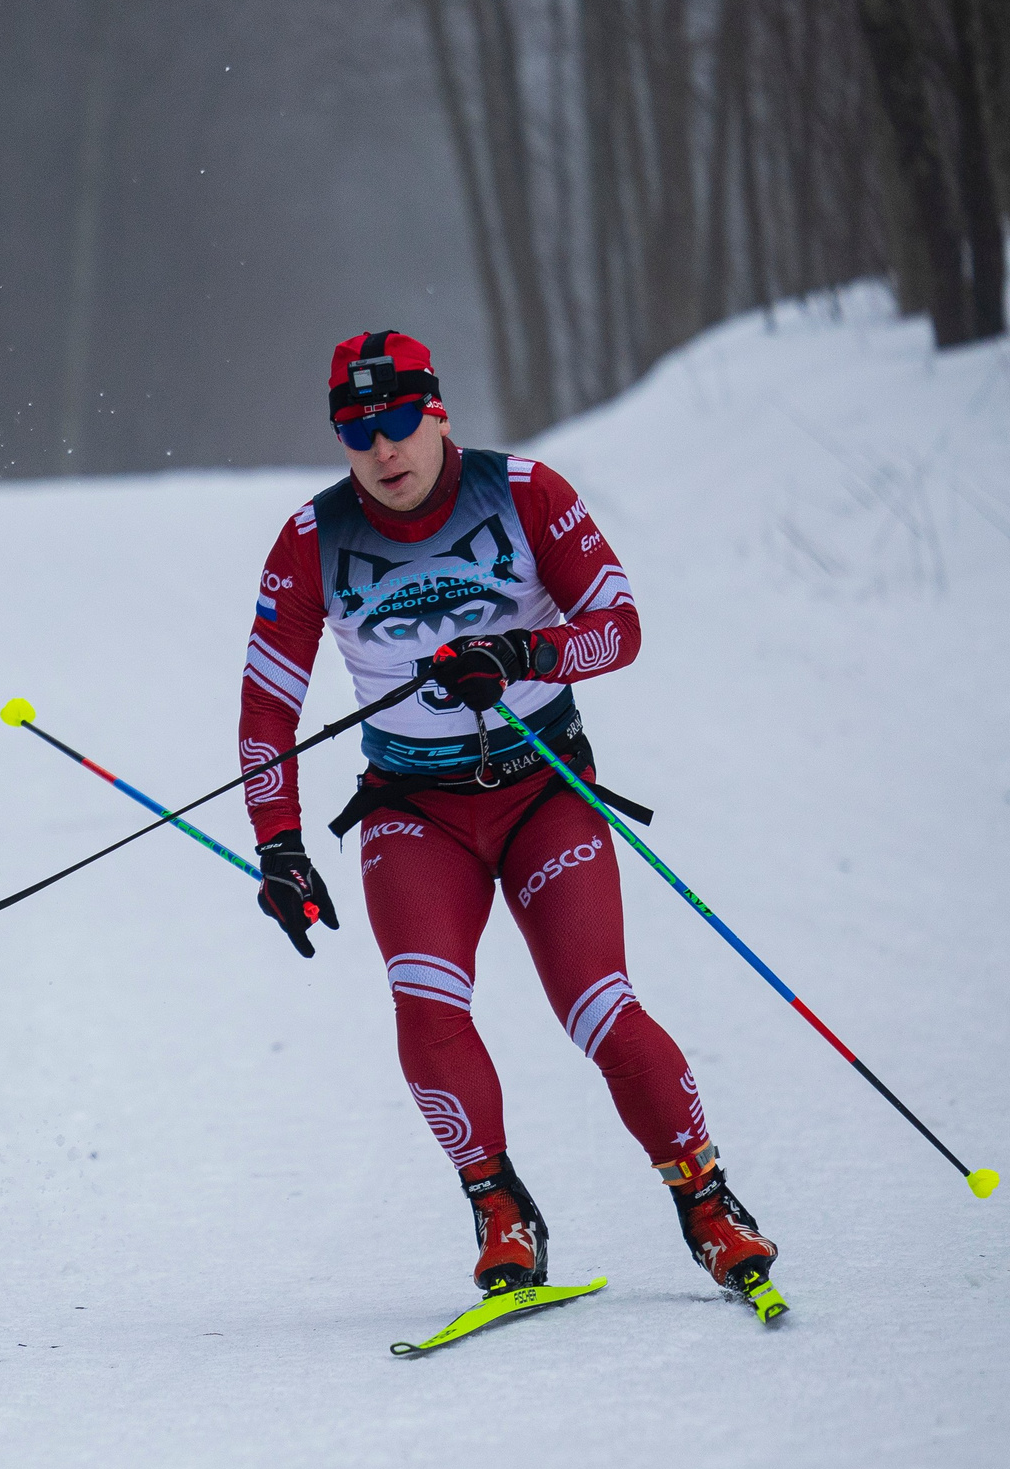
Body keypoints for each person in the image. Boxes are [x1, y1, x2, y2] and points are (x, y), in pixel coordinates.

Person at [235, 329, 779, 1304]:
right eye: (356, 431)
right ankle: (498, 1206)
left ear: (437, 412)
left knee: (595, 1004)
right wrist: (276, 845)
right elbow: (266, 705)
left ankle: (706, 1200)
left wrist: (523, 656)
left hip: (541, 793)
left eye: (400, 421)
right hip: (413, 810)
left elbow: (618, 626)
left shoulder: (524, 491)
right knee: (426, 1001)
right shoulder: (311, 540)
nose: (383, 449)